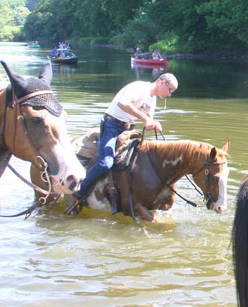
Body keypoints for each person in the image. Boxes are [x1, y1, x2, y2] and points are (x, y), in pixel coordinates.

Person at [66, 73, 179, 214]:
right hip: (111, 125)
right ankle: (78, 192)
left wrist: (154, 124)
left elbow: (148, 122)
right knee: (106, 162)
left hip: (126, 128)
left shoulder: (153, 99)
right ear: (162, 82)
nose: (170, 94)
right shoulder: (141, 87)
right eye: (170, 90)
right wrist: (144, 118)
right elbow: (123, 103)